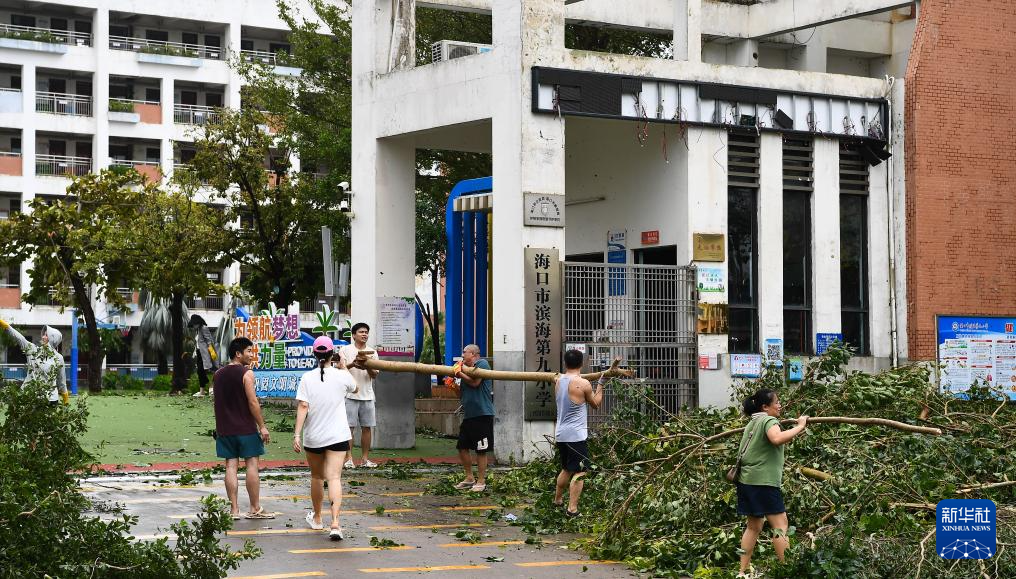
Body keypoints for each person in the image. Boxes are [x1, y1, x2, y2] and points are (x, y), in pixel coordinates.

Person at [735, 389, 808, 577]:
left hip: (747, 481)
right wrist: (800, 426)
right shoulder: (768, 420)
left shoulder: (753, 422)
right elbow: (776, 439)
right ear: (765, 407)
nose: (780, 405)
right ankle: (787, 570)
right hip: (763, 482)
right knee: (780, 525)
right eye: (776, 402)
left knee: (753, 526)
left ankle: (742, 572)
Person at [293, 336, 358, 540]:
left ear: (314, 354)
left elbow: (303, 406)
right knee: (334, 478)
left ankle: (318, 518)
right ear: (332, 355)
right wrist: (344, 367)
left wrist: (296, 434)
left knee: (317, 477)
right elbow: (354, 387)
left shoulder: (307, 378)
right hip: (338, 436)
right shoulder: (341, 376)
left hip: (314, 437)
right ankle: (336, 524)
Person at [213, 337, 274, 520]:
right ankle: (255, 508)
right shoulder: (247, 374)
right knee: (252, 465)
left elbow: (216, 402)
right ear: (238, 354)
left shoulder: (218, 374)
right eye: (248, 351)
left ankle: (234, 510)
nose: (251, 355)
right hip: (246, 428)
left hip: (225, 429)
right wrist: (262, 426)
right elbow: (253, 402)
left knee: (230, 466)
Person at [553, 349, 605, 517]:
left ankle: (558, 500)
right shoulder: (582, 384)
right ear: (582, 363)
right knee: (580, 472)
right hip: (576, 436)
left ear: (565, 363)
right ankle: (572, 509)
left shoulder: (558, 381)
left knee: (566, 468)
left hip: (561, 434)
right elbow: (596, 404)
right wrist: (602, 383)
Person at [453, 344, 495, 492]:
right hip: (469, 414)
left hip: (482, 413)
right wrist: (454, 386)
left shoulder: (482, 364)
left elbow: (476, 383)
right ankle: (469, 477)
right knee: (462, 447)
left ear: (473, 354)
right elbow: (462, 394)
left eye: (465, 352)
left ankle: (481, 480)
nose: (462, 355)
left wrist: (460, 374)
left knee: (481, 449)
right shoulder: (463, 369)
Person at [338, 323, 379, 469]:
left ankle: (365, 459)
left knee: (367, 428)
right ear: (354, 335)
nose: (364, 334)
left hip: (367, 395)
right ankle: (349, 459)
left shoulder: (372, 352)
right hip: (350, 396)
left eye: (366, 332)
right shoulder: (345, 350)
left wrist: (367, 366)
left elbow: (374, 375)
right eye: (361, 332)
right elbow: (339, 369)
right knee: (349, 428)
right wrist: (353, 364)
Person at [0, 319, 67, 405]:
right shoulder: (32, 350)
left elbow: (61, 381)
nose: (43, 337)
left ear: (52, 339)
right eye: (43, 334)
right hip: (30, 397)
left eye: (46, 335)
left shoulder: (59, 358)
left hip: (50, 400)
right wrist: (6, 326)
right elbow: (19, 338)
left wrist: (66, 400)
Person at [189, 314, 218, 397]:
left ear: (198, 322)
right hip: (199, 353)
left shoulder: (204, 328)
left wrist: (212, 354)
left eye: (194, 324)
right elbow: (198, 342)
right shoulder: (197, 330)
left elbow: (209, 341)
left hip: (206, 354)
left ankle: (210, 388)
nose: (193, 326)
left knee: (209, 370)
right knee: (200, 371)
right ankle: (202, 390)